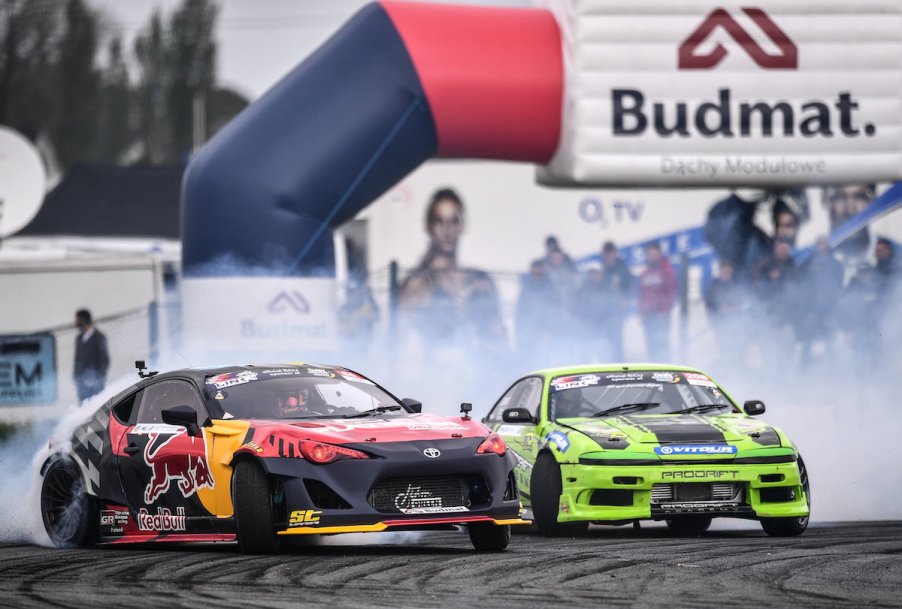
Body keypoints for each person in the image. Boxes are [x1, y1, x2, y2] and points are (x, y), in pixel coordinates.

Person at [398, 188, 506, 355]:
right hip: (435, 372)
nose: (447, 230)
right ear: (429, 227)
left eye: (454, 221)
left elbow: (497, 333)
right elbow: (401, 341)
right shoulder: (418, 284)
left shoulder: (479, 279)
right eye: (439, 221)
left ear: (462, 226)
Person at [703, 189, 808, 281]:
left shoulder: (785, 261)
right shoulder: (746, 240)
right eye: (782, 224)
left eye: (792, 226)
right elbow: (716, 228)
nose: (785, 232)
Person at [795, 236, 843, 365]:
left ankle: (830, 366)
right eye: (819, 244)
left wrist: (831, 302)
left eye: (824, 244)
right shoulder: (808, 263)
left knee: (830, 338)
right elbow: (802, 283)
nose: (822, 246)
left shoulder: (836, 264)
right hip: (811, 308)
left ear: (828, 246)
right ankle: (805, 366)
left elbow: (838, 285)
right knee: (808, 338)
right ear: (816, 246)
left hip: (829, 308)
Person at [637, 243, 677, 362]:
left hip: (661, 316)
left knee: (662, 346)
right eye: (651, 255)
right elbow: (641, 295)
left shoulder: (667, 272)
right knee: (650, 346)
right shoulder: (645, 273)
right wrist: (641, 313)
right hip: (648, 316)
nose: (653, 257)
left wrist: (665, 311)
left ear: (660, 255)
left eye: (655, 255)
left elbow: (672, 293)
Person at [599, 241, 633, 360]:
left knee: (616, 339)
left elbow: (628, 286)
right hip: (604, 311)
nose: (608, 256)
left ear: (615, 253)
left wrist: (625, 300)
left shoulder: (622, 268)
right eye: (606, 253)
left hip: (617, 310)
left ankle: (618, 363)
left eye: (610, 253)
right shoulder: (603, 268)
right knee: (604, 341)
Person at [73, 309, 110, 403]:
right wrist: (76, 375)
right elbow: (77, 359)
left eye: (77, 319)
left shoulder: (99, 337)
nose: (76, 322)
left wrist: (100, 376)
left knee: (96, 403)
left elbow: (104, 359)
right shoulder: (79, 338)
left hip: (95, 381)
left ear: (83, 319)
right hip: (82, 382)